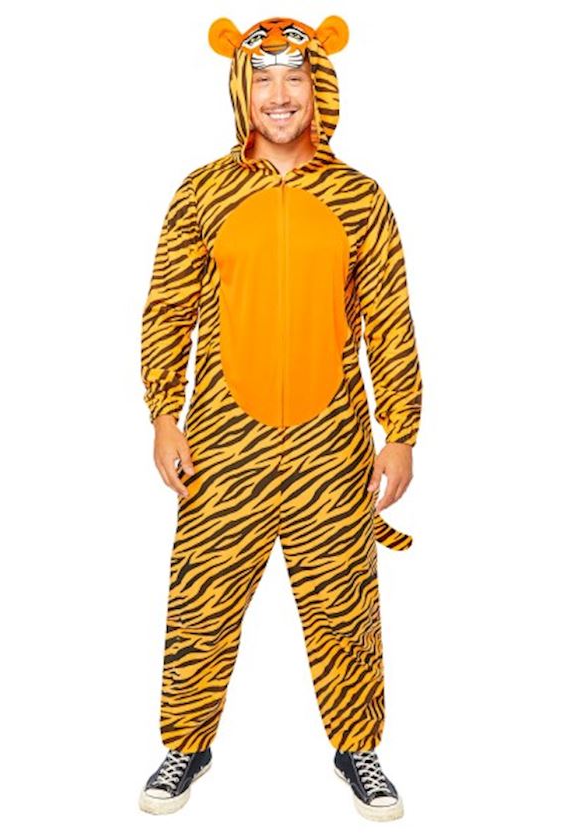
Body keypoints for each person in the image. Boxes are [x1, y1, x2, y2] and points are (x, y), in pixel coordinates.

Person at [137, 15, 422, 822]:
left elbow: (390, 319)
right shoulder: (203, 192)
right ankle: (186, 744)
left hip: (333, 442)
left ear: (318, 87)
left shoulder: (361, 198)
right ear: (243, 92)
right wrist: (164, 414)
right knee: (202, 599)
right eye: (263, 79)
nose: (280, 95)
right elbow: (168, 309)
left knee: (344, 601)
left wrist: (400, 431)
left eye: (295, 77)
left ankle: (357, 746)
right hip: (225, 440)